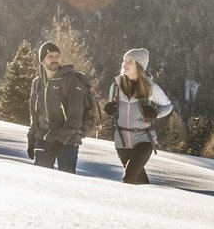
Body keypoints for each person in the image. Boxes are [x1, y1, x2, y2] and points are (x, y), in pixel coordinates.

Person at [104, 47, 174, 185]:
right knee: (138, 181)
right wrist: (111, 110)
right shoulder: (115, 87)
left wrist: (155, 113)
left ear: (139, 66)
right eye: (124, 60)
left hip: (144, 139)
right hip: (122, 141)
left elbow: (168, 106)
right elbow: (115, 109)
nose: (125, 63)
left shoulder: (150, 88)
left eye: (130, 61)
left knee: (129, 177)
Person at [27, 40, 92, 173]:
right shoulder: (37, 83)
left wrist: (61, 140)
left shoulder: (71, 81)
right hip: (44, 138)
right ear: (42, 61)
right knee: (40, 180)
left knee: (65, 184)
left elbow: (75, 116)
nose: (54, 59)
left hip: (68, 141)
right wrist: (31, 139)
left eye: (57, 56)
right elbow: (35, 114)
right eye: (50, 56)